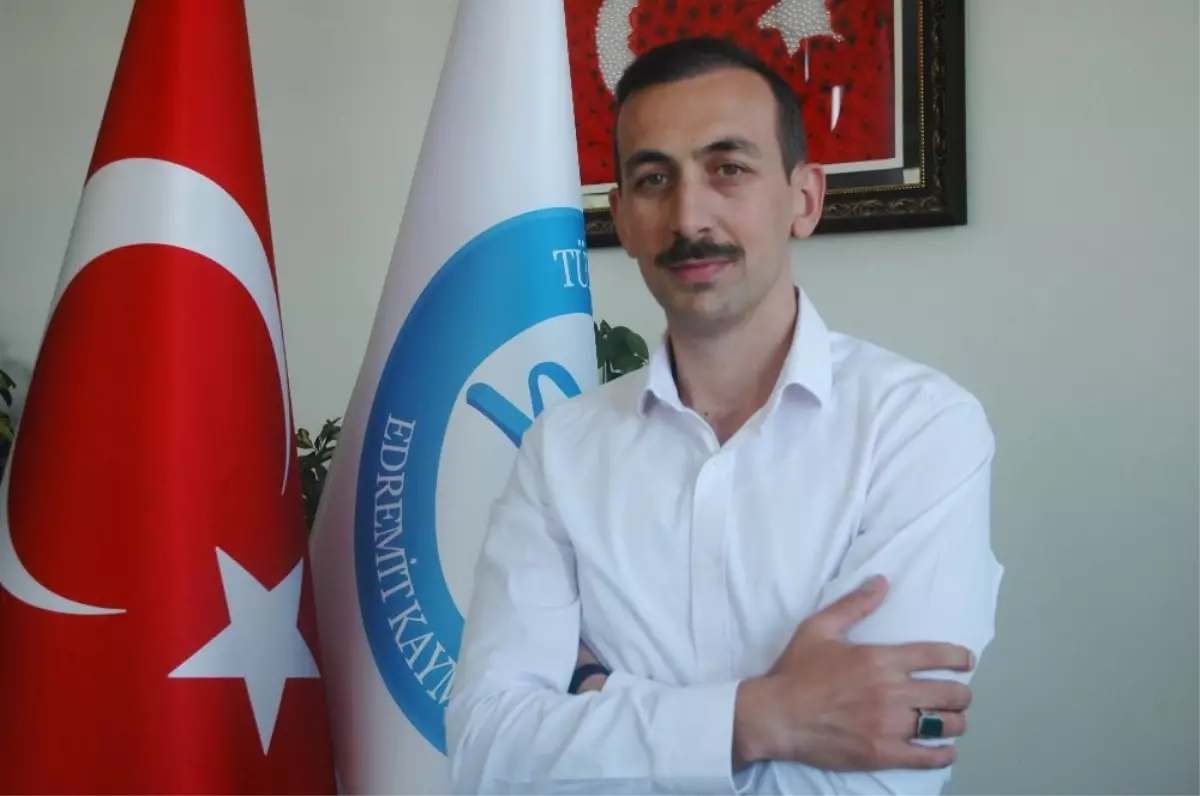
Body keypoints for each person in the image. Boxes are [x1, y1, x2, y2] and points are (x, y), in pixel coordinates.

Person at [446, 35, 1003, 796]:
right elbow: (488, 752)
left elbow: (876, 778)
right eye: (653, 179)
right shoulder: (560, 451)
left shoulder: (919, 429)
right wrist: (763, 719)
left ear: (804, 199)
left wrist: (600, 696)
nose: (689, 215)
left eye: (728, 168)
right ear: (622, 218)